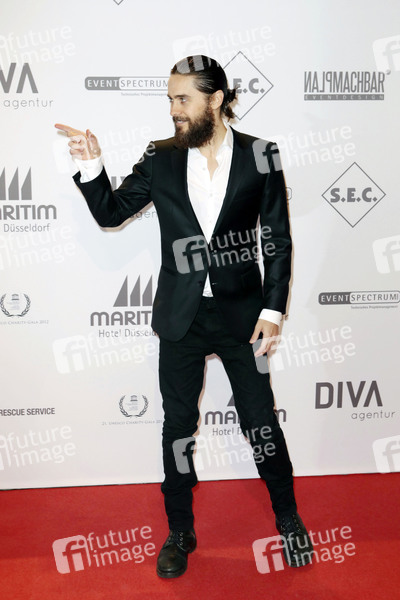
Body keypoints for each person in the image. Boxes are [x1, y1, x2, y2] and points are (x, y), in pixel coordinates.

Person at [55, 54, 313, 578]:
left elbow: (277, 239)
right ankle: (179, 530)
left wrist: (272, 310)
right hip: (181, 318)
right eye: (170, 99)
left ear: (215, 99)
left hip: (244, 317)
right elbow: (111, 213)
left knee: (261, 422)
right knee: (177, 428)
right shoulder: (162, 156)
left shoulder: (261, 154)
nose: (174, 109)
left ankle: (289, 519)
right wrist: (92, 165)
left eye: (183, 99)